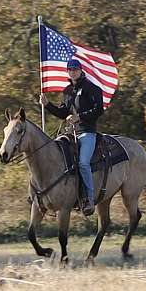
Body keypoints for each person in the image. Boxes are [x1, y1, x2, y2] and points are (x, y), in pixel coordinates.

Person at [40, 59, 104, 216]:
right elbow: (63, 112)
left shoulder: (91, 88)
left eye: (75, 69)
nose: (73, 71)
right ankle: (57, 196)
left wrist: (79, 117)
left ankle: (88, 198)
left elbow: (99, 110)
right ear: (67, 72)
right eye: (70, 69)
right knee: (57, 160)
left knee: (83, 163)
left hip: (87, 132)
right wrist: (47, 105)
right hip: (70, 133)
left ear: (81, 70)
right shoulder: (68, 90)